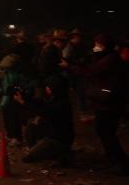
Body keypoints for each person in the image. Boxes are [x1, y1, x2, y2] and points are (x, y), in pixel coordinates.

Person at [61, 34, 129, 175]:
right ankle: (114, 160)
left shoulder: (110, 59)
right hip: (105, 102)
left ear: (103, 45)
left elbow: (91, 71)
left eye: (97, 44)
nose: (95, 47)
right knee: (104, 131)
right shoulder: (107, 57)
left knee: (107, 132)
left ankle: (120, 163)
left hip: (110, 103)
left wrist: (69, 66)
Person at [18, 74, 74, 165]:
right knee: (31, 126)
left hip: (58, 139)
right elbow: (39, 104)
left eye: (49, 87)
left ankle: (63, 155)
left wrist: (24, 103)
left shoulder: (62, 104)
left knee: (29, 157)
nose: (47, 89)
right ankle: (39, 150)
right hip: (50, 133)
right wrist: (25, 97)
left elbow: (44, 111)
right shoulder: (54, 99)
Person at [0, 53, 36, 147]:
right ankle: (10, 135)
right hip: (9, 95)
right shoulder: (8, 72)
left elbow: (12, 87)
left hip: (15, 97)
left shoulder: (17, 74)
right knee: (7, 116)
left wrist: (2, 104)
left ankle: (16, 138)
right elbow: (4, 84)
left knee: (13, 117)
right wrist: (0, 92)